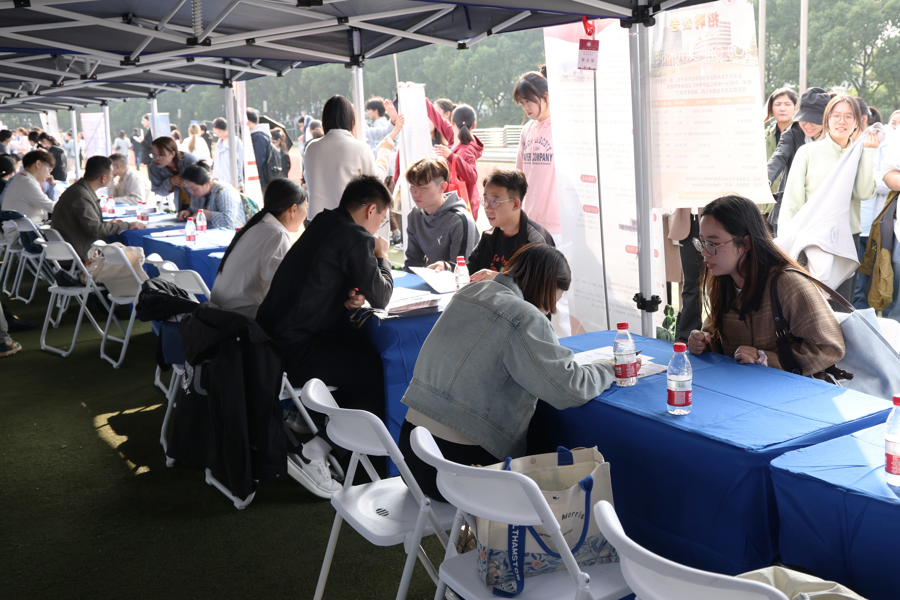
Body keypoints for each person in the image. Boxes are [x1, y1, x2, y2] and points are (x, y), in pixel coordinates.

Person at [399, 243, 620, 501]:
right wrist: (610, 367)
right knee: (548, 444)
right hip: (460, 469)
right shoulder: (525, 317)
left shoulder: (470, 291)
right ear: (546, 287)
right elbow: (570, 389)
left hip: (412, 454)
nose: (549, 311)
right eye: (553, 302)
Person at [255, 175, 393, 498]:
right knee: (380, 375)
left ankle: (317, 423)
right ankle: (314, 451)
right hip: (297, 350)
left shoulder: (323, 222)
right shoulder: (357, 236)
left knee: (359, 350)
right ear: (371, 210)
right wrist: (382, 255)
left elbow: (319, 277)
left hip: (269, 341)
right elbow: (382, 295)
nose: (380, 227)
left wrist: (349, 294)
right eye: (382, 219)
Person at [688, 195, 845, 375]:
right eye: (702, 242)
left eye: (713, 243)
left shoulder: (788, 283)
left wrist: (764, 359)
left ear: (746, 243)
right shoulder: (723, 280)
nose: (704, 252)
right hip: (742, 385)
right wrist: (704, 342)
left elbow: (830, 347)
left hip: (787, 390)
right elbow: (716, 336)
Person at [779, 94, 880, 303]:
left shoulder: (860, 152)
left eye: (848, 116)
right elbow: (792, 202)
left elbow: (863, 193)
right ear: (827, 119)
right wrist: (785, 244)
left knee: (843, 306)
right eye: (836, 116)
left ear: (856, 122)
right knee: (811, 305)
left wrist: (869, 153)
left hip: (847, 237)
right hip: (811, 238)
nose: (842, 121)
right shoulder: (808, 152)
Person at [211, 179, 307, 317]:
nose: (306, 214)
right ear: (293, 209)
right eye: (306, 208)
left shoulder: (258, 226)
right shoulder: (277, 233)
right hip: (240, 318)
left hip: (220, 312)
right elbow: (282, 285)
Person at [51, 156, 146, 260]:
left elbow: (91, 225)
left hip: (72, 247)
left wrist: (110, 224)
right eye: (111, 175)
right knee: (132, 256)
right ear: (103, 178)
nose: (112, 178)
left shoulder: (79, 190)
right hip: (81, 253)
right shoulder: (81, 195)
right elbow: (96, 230)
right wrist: (127, 225)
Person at [467, 169, 554, 281]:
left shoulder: (536, 241)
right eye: (485, 200)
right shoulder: (488, 236)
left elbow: (541, 286)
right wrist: (448, 267)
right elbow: (470, 271)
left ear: (515, 204)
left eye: (494, 202)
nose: (488, 208)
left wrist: (500, 279)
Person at [303, 95, 379, 220]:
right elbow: (376, 183)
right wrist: (385, 153)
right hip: (348, 221)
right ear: (350, 118)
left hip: (318, 222)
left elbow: (308, 177)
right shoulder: (359, 148)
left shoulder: (311, 147)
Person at [766, 87, 830, 230]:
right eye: (804, 119)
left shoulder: (835, 138)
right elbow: (779, 156)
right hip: (790, 210)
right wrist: (766, 179)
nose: (808, 125)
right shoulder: (792, 133)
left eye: (814, 120)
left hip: (823, 210)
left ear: (827, 119)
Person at [402, 158, 477, 271]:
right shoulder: (414, 215)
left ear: (442, 187)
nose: (416, 193)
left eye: (423, 187)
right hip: (432, 278)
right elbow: (413, 262)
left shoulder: (459, 220)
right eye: (412, 186)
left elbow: (462, 268)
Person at [514, 67, 559, 238]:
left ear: (546, 96)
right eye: (522, 102)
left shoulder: (562, 128)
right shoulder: (527, 130)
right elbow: (519, 176)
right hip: (529, 222)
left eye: (528, 101)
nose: (525, 107)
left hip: (557, 226)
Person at [434, 104, 483, 220]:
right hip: (460, 209)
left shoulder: (465, 150)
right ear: (474, 125)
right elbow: (438, 120)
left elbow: (472, 177)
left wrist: (451, 156)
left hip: (462, 210)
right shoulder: (457, 143)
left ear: (452, 121)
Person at [1, 149, 55, 246]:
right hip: (25, 235)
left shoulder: (22, 179)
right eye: (49, 169)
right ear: (38, 164)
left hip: (22, 232)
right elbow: (52, 207)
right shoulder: (26, 183)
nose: (48, 174)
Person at [178, 162, 246, 230]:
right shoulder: (197, 192)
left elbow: (228, 220)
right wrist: (189, 212)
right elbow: (196, 208)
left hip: (230, 233)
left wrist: (204, 213)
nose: (191, 191)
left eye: (193, 188)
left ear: (206, 184)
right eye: (188, 188)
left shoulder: (225, 192)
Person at [764, 88, 798, 206]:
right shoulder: (764, 136)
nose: (782, 108)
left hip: (793, 202)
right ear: (771, 109)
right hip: (767, 204)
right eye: (777, 104)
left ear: (795, 108)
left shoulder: (803, 135)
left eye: (787, 104)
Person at [148, 136, 198, 212]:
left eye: (161, 155)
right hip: (182, 204)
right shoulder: (154, 167)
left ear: (173, 154)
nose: (156, 159)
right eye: (154, 155)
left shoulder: (190, 161)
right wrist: (170, 181)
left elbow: (205, 186)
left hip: (200, 204)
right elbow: (157, 190)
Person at [247, 108, 279, 190]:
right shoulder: (259, 134)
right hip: (261, 180)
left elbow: (258, 161)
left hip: (259, 181)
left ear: (248, 121)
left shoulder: (258, 136)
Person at [211, 117, 243, 188]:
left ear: (226, 129)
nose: (218, 135)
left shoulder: (236, 142)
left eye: (219, 132)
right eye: (215, 133)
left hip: (232, 184)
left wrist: (239, 183)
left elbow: (241, 164)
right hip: (219, 183)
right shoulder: (219, 144)